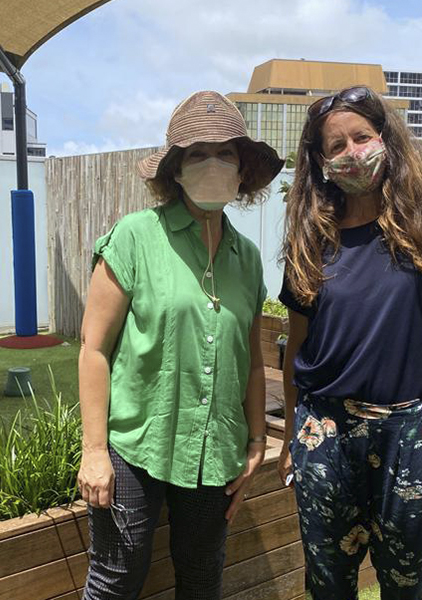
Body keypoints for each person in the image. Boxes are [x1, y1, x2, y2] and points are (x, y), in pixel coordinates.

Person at [77, 90, 284, 600]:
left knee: (201, 576)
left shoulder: (248, 258)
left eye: (226, 153)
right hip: (134, 444)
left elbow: (252, 362)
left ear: (243, 171)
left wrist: (257, 440)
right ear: (175, 169)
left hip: (214, 451)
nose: (213, 164)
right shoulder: (134, 237)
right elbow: (93, 349)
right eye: (197, 154)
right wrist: (94, 452)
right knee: (116, 579)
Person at [277, 86, 422, 600]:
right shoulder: (311, 242)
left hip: (410, 432)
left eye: (362, 138)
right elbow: (296, 353)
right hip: (324, 429)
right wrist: (290, 439)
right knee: (328, 584)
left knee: (406, 583)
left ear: (385, 139)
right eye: (337, 146)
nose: (353, 153)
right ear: (321, 163)